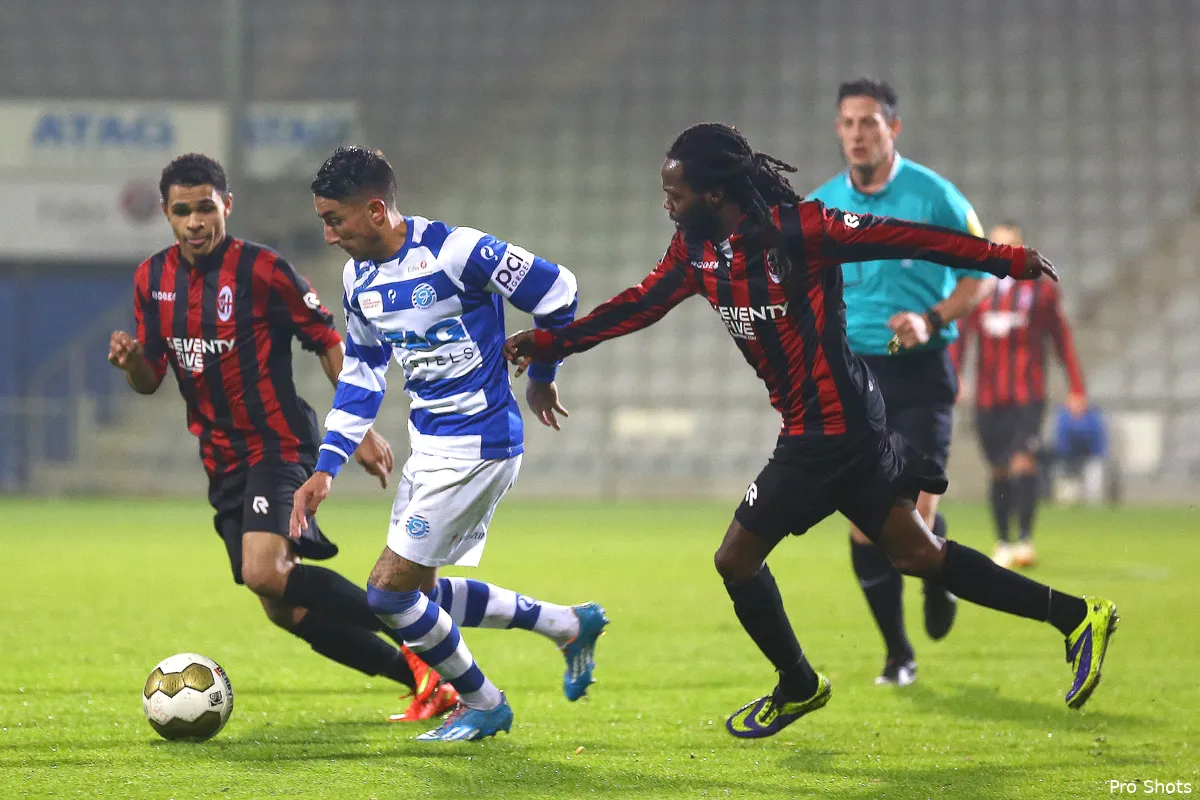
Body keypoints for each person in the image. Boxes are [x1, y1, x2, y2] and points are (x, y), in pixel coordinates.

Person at [504, 123, 1118, 739]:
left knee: (735, 559)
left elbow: (908, 236)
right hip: (830, 425)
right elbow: (638, 304)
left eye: (676, 193)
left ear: (714, 195)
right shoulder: (694, 249)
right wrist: (555, 343)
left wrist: (1004, 260)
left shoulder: (799, 230)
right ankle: (1076, 617)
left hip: (831, 430)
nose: (667, 203)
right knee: (918, 554)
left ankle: (798, 685)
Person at [108, 153, 457, 724]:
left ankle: (420, 630)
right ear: (167, 214)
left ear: (226, 205)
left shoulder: (264, 270)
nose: (195, 221)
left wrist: (359, 428)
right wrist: (131, 364)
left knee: (264, 571)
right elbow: (150, 380)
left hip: (278, 444)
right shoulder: (153, 279)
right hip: (221, 459)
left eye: (205, 208)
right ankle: (425, 680)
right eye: (182, 211)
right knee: (279, 605)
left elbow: (327, 341)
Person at [290, 146, 609, 743]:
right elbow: (361, 374)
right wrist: (327, 466)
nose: (329, 236)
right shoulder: (359, 278)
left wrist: (543, 374)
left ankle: (484, 702)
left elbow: (558, 290)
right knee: (422, 594)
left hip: (478, 446)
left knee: (387, 596)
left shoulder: (455, 252)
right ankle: (568, 625)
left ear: (376, 210)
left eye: (335, 220)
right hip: (429, 446)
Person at [808, 78, 996, 686]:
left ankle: (938, 575)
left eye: (869, 122)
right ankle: (897, 653)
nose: (857, 134)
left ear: (893, 128)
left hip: (920, 373)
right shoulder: (821, 207)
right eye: (848, 123)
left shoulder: (934, 197)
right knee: (866, 523)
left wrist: (931, 318)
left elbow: (981, 275)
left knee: (913, 515)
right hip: (855, 377)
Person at [950, 222, 1088, 568]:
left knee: (1023, 461)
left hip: (1027, 394)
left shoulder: (1041, 291)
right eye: (996, 245)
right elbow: (961, 335)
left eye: (1009, 245)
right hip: (988, 396)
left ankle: (1025, 540)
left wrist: (1076, 387)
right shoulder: (977, 290)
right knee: (998, 469)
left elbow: (1062, 339)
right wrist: (955, 375)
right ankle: (1003, 541)